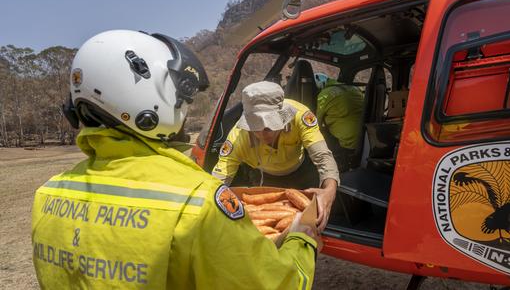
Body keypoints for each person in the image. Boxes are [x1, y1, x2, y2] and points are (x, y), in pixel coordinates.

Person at [31, 30, 318, 289]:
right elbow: (278, 285)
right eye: (183, 98)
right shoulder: (198, 203)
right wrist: (302, 238)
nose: (185, 109)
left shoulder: (48, 194)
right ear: (152, 97)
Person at [212, 81, 339, 232]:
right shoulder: (238, 138)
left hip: (302, 172)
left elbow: (323, 156)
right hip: (266, 178)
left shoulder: (301, 116)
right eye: (255, 128)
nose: (262, 134)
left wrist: (329, 191)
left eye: (268, 127)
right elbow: (218, 180)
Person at [314, 73, 364, 171]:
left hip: (347, 142)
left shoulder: (325, 94)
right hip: (363, 137)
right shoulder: (355, 89)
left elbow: (316, 124)